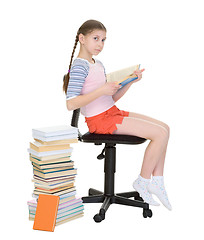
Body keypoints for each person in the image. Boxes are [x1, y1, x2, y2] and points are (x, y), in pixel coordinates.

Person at [63, 19, 172, 210]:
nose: (100, 44)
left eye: (104, 40)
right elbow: (71, 103)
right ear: (82, 38)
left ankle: (158, 181)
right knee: (159, 134)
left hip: (111, 113)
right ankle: (143, 181)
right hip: (99, 121)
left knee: (165, 128)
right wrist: (102, 90)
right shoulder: (79, 66)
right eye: (95, 38)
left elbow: (110, 99)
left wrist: (129, 82)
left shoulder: (98, 64)